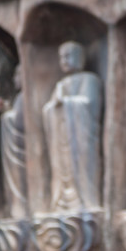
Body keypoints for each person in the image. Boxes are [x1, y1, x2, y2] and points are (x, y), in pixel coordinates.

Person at [43, 41, 103, 210]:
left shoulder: (89, 80)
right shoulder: (61, 85)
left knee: (84, 167)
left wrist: (66, 103)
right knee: (62, 169)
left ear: (80, 58)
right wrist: (54, 106)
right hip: (63, 138)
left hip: (81, 138)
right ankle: (62, 202)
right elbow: (48, 110)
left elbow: (89, 104)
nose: (64, 61)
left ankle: (86, 200)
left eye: (68, 56)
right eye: (61, 57)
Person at [1, 67, 28, 219]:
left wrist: (8, 117)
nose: (15, 79)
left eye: (18, 74)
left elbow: (21, 122)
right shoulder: (20, 98)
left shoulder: (25, 98)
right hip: (14, 148)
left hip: (21, 148)